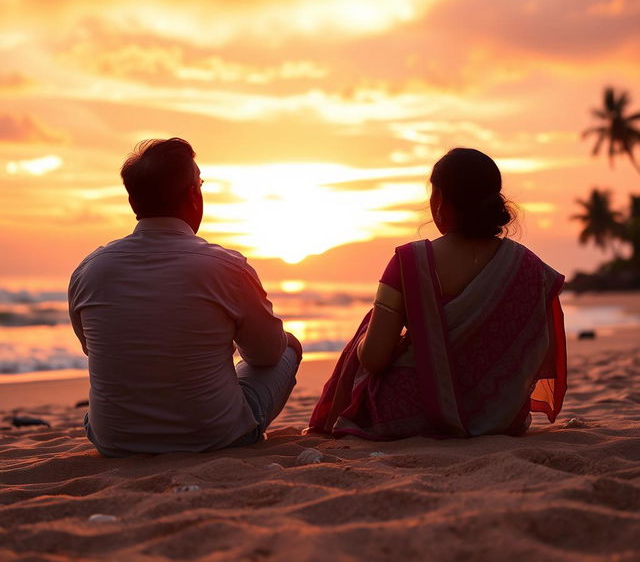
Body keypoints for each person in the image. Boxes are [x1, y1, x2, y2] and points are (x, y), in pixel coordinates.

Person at [308, 148, 566, 439]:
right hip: (501, 414)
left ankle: (328, 424)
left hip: (413, 411)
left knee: (370, 327)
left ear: (440, 200)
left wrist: (362, 345)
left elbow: (374, 360)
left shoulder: (410, 263)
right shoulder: (529, 267)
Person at [68, 138, 301, 456]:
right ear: (194, 195)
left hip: (114, 440)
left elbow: (94, 348)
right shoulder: (226, 267)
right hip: (216, 437)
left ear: (133, 201)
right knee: (288, 344)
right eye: (200, 184)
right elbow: (267, 356)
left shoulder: (89, 270)